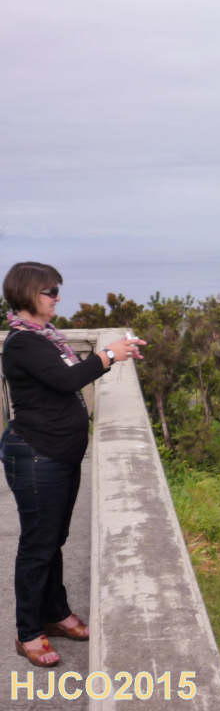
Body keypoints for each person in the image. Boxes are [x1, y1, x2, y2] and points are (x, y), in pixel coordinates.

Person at [1, 262, 136, 669]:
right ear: (28, 294)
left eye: (57, 289)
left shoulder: (47, 336)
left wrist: (113, 356)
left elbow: (68, 374)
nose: (57, 297)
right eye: (50, 291)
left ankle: (55, 613)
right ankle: (28, 632)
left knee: (54, 539)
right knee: (38, 546)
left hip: (58, 455)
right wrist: (109, 355)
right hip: (36, 456)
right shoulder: (23, 343)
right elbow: (67, 381)